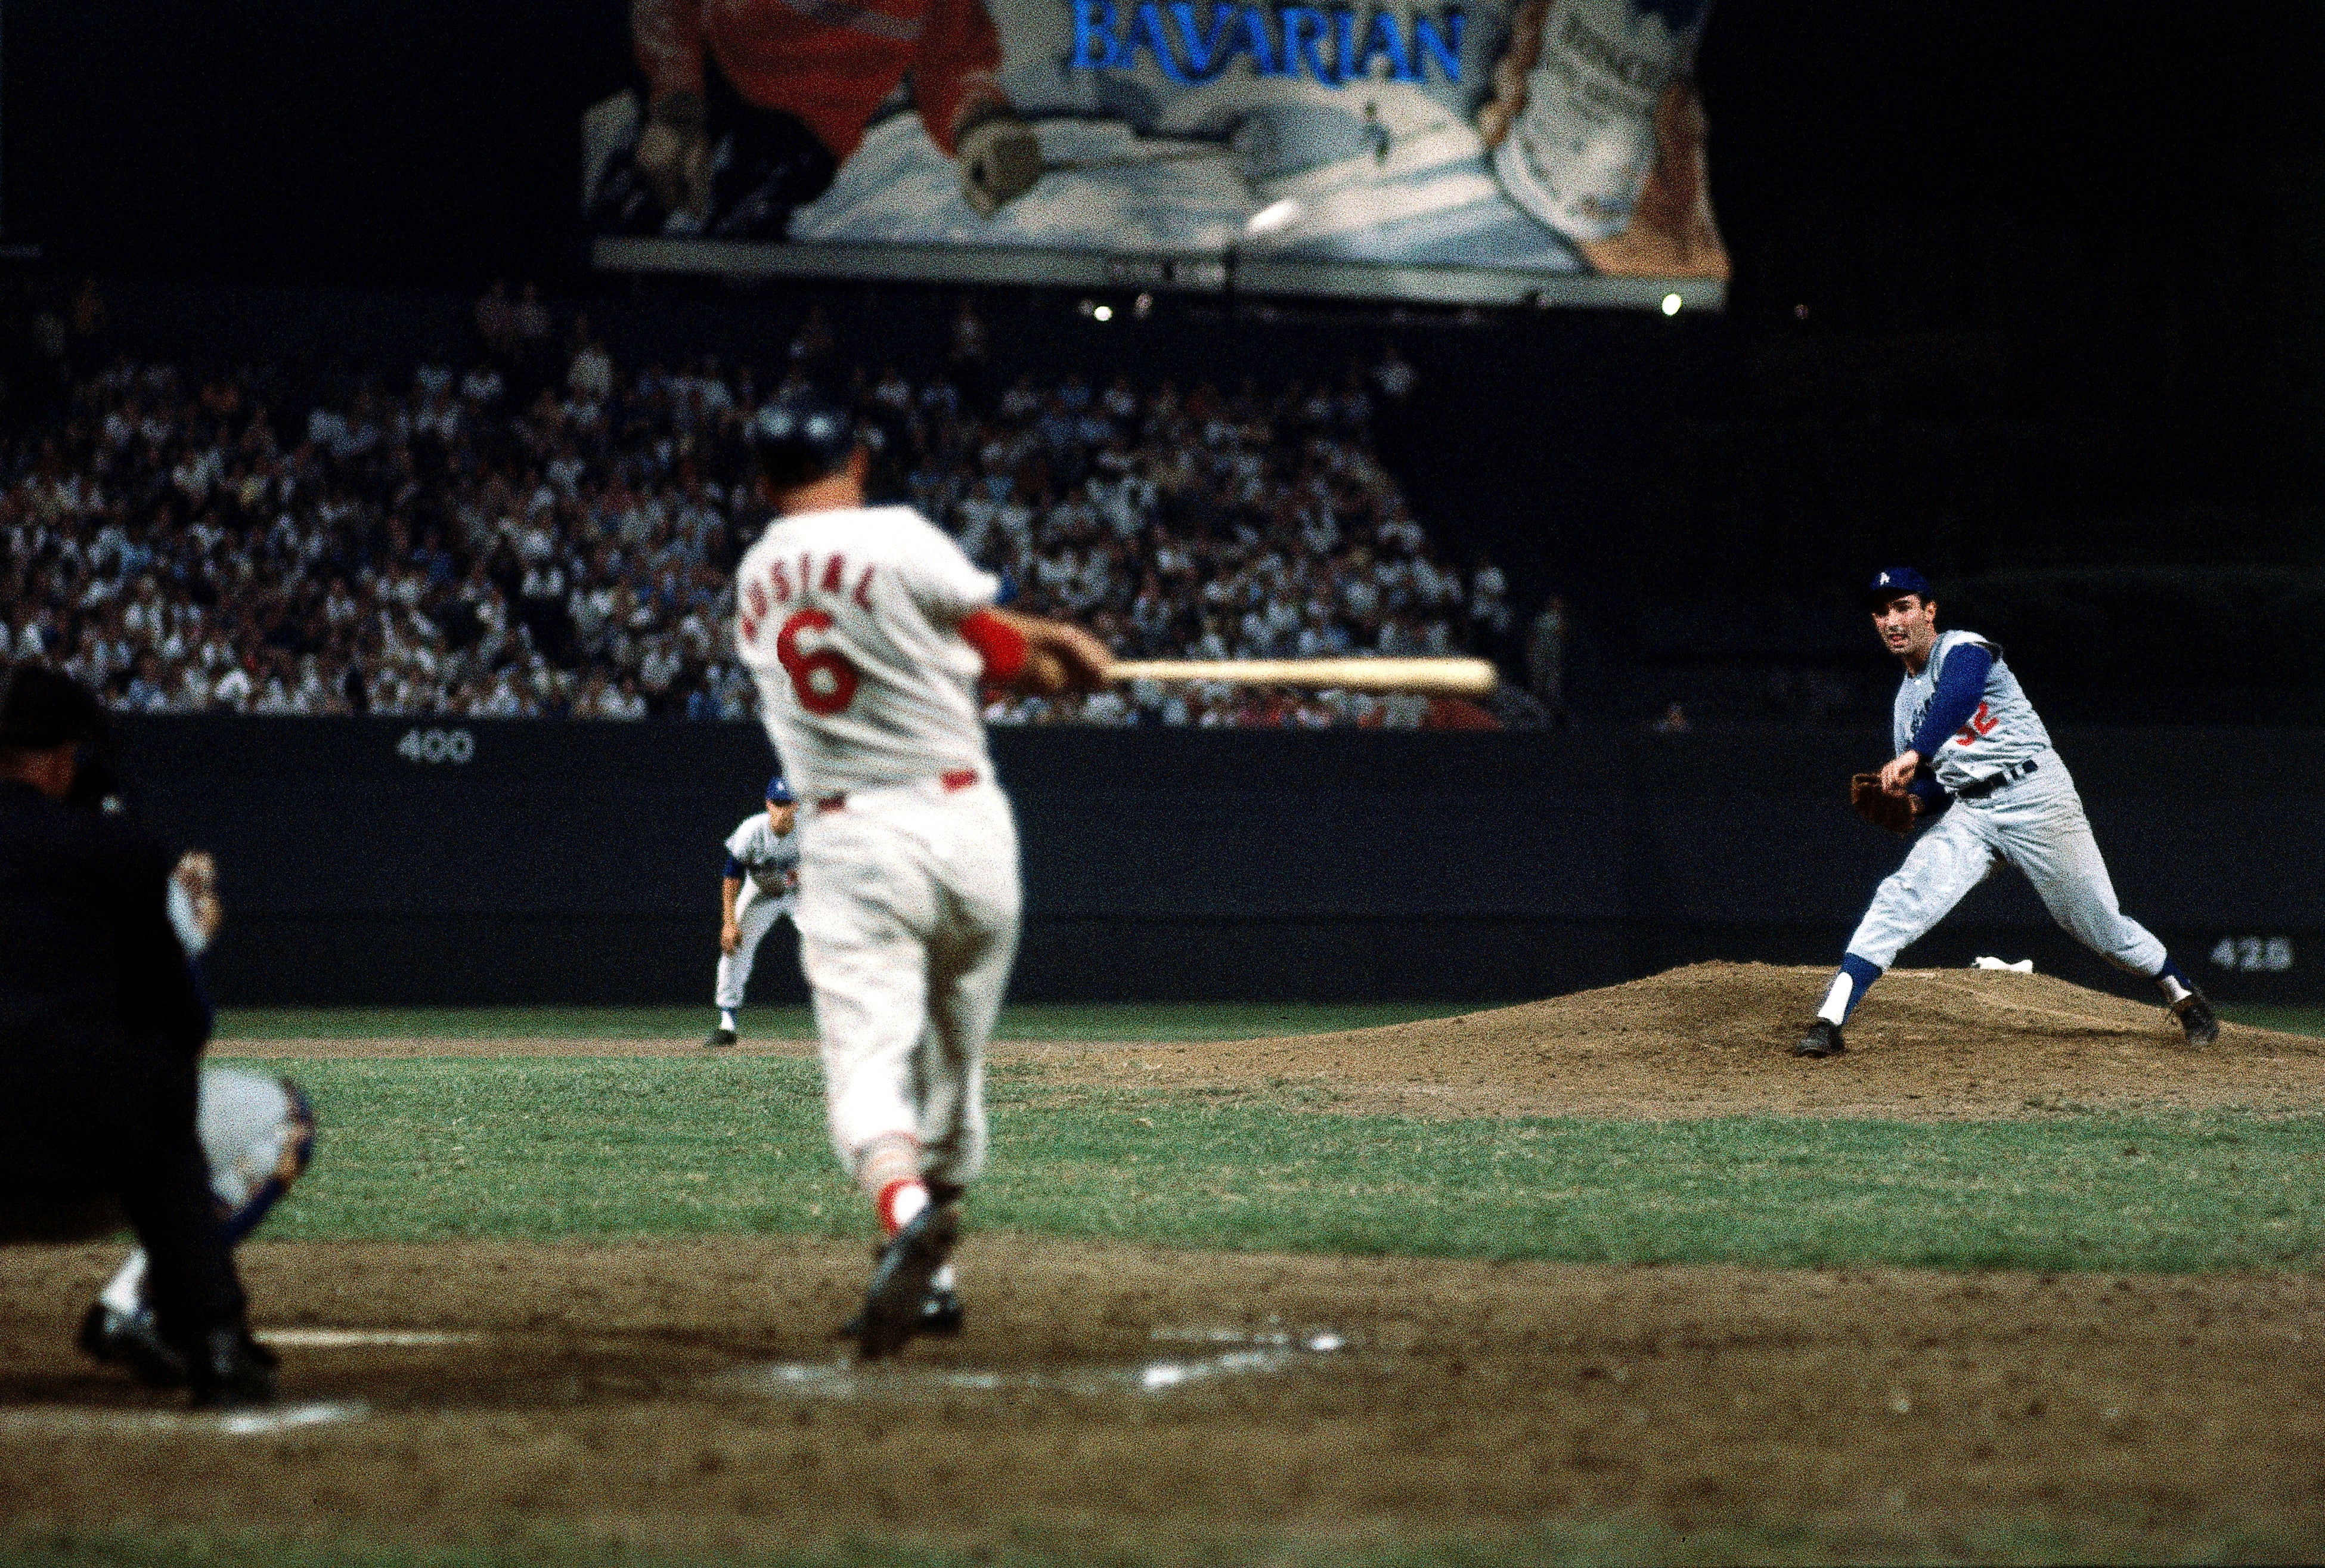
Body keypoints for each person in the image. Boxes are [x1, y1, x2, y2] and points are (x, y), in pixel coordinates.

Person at [730, 388, 1109, 1358]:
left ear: (765, 481)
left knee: (869, 1066)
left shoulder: (757, 579)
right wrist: (1059, 658)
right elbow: (996, 654)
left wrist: (1041, 645)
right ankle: (933, 1273)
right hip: (969, 829)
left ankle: (905, 1219)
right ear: (854, 462)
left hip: (857, 842)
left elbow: (927, 633)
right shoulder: (900, 536)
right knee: (953, 1070)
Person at [0, 664, 307, 1406]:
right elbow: (187, 1026)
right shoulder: (120, 852)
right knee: (255, 1113)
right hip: (93, 1171)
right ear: (62, 761)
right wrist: (187, 930)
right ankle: (205, 1333)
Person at [1794, 569, 2219, 1058]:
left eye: (1904, 606)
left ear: (1930, 611)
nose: (1893, 620)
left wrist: (1914, 754)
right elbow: (1939, 782)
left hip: (2037, 793)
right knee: (1901, 897)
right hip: (1973, 813)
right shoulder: (1904, 706)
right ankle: (1829, 1021)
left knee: (2099, 925)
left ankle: (2183, 996)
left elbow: (1960, 694)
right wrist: (1915, 801)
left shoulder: (1964, 649)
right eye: (1882, 612)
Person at [593, 0, 1041, 239]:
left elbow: (954, 62)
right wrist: (675, 110)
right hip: (714, 85)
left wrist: (984, 123)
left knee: (742, 247)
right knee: (631, 211)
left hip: (809, 137)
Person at [705, 776, 802, 1048]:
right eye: (777, 803)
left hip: (803, 894)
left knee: (835, 946)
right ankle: (727, 1023)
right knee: (734, 946)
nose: (782, 809)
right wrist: (729, 922)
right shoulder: (752, 830)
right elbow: (731, 878)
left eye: (788, 803)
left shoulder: (811, 830)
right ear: (768, 804)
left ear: (796, 805)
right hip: (760, 893)